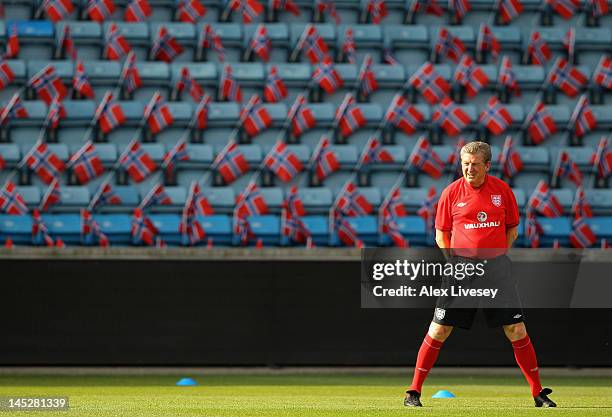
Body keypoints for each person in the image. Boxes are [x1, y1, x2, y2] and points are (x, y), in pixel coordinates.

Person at [404, 141, 556, 408]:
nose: (469, 169)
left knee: (516, 328)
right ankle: (413, 392)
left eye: (474, 164)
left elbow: (512, 230)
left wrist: (495, 255)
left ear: (487, 165)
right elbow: (442, 235)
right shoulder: (451, 193)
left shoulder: (502, 191)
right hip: (461, 269)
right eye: (465, 164)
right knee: (439, 329)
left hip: (497, 269)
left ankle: (538, 393)